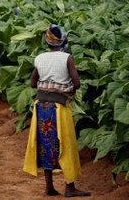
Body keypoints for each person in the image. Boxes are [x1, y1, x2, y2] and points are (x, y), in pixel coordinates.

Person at [23, 24, 91, 197]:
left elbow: (32, 83)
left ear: (47, 41)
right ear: (62, 41)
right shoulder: (66, 58)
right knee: (66, 145)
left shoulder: (39, 58)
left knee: (46, 146)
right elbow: (76, 83)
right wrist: (66, 88)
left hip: (41, 107)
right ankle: (69, 187)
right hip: (59, 108)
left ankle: (49, 187)